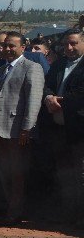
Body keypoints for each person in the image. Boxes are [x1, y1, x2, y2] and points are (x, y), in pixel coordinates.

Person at [0, 31, 44, 224]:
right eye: (5, 46)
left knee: (18, 174)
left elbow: (34, 100)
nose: (7, 49)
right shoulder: (1, 70)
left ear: (23, 47)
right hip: (0, 130)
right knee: (5, 172)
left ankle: (16, 213)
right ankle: (9, 209)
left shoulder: (32, 67)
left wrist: (27, 129)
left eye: (12, 46)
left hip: (18, 131)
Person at [41, 29, 84, 222]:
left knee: (79, 174)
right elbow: (46, 85)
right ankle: (67, 213)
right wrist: (49, 97)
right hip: (57, 128)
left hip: (78, 128)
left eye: (74, 43)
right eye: (66, 43)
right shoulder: (58, 64)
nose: (69, 47)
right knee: (63, 172)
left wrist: (60, 101)